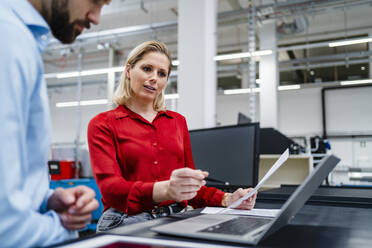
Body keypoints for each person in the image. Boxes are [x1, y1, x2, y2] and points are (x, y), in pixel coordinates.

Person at [87, 40, 257, 232]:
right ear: (129, 70)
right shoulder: (103, 123)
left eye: (162, 74)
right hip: (126, 220)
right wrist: (166, 190)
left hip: (176, 217)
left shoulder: (177, 122)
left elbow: (190, 188)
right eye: (147, 68)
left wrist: (228, 199)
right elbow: (111, 190)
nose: (154, 78)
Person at [0, 0, 110, 247]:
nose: (96, 18)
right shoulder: (8, 38)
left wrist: (46, 199)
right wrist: (64, 227)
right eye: (96, 1)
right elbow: (5, 228)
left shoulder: (20, 38)